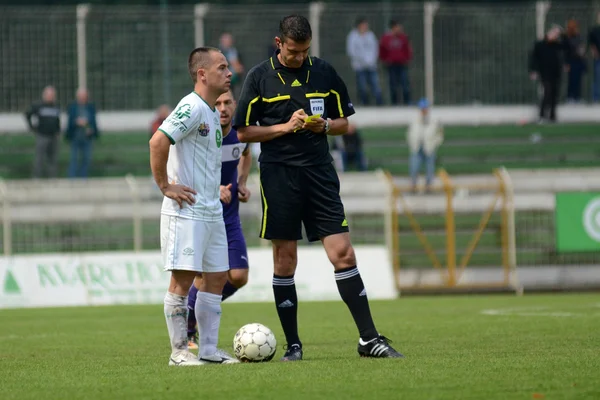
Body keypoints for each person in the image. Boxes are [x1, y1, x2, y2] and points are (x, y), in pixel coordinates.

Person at [234, 15, 403, 361]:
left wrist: (324, 125)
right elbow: (243, 132)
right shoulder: (259, 77)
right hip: (279, 176)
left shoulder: (323, 72)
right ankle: (293, 345)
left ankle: (368, 339)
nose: (300, 57)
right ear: (279, 44)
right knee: (285, 261)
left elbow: (344, 122)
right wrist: (284, 127)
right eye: (294, 51)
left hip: (320, 174)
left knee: (344, 254)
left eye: (305, 50)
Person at [149, 46, 237, 366]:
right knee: (182, 282)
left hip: (212, 210)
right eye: (222, 67)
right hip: (187, 210)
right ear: (203, 74)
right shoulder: (191, 106)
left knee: (216, 278)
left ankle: (209, 349)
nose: (229, 73)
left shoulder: (212, 111)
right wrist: (165, 186)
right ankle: (178, 352)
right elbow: (158, 141)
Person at [186, 89, 252, 350]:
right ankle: (190, 331)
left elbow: (246, 154)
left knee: (238, 275)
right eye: (217, 103)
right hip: (203, 216)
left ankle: (200, 309)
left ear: (235, 105)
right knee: (205, 278)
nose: (223, 108)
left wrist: (242, 182)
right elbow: (186, 172)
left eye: (227, 102)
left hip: (230, 218)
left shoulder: (240, 134)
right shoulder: (202, 135)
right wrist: (213, 190)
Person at [529, 25, 565, 123]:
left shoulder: (557, 45)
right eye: (554, 33)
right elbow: (533, 58)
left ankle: (552, 116)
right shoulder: (540, 44)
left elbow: (567, 47)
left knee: (555, 95)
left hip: (556, 73)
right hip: (544, 73)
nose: (555, 35)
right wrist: (533, 70)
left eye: (557, 34)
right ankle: (542, 115)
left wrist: (562, 34)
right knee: (547, 93)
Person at [407, 98, 443, 193]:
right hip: (417, 147)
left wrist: (435, 144)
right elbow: (410, 133)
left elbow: (440, 135)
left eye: (425, 108)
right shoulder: (414, 120)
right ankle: (413, 187)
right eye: (422, 108)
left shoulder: (434, 120)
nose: (423, 110)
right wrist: (412, 143)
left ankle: (428, 188)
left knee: (429, 169)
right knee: (414, 168)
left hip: (429, 148)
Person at [25, 85, 61, 179]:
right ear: (44, 95)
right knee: (39, 158)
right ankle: (36, 177)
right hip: (42, 135)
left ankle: (52, 178)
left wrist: (58, 131)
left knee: (52, 158)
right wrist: (32, 127)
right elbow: (28, 114)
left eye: (52, 95)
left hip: (53, 136)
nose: (51, 97)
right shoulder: (38, 106)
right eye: (49, 95)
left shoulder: (56, 106)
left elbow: (57, 120)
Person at [346, 17, 383, 106]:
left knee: (375, 86)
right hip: (359, 66)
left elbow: (375, 49)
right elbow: (351, 51)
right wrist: (361, 60)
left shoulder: (370, 35)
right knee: (362, 87)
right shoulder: (352, 36)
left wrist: (372, 60)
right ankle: (364, 104)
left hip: (371, 66)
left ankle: (380, 104)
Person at [66, 88, 99, 178]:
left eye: (84, 96)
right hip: (75, 137)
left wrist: (91, 128)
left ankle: (83, 179)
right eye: (81, 96)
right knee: (74, 159)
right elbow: (69, 122)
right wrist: (76, 122)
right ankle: (72, 180)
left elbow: (93, 122)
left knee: (86, 159)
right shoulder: (73, 107)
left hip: (87, 138)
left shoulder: (90, 107)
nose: (82, 98)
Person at [379, 20, 413, 105]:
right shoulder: (386, 38)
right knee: (393, 85)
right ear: (393, 27)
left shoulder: (403, 37)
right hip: (391, 65)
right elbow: (382, 50)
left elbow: (407, 49)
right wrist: (385, 60)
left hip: (402, 64)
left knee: (405, 85)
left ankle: (407, 102)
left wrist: (407, 59)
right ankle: (395, 104)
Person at [564, 19, 586, 103]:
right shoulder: (567, 38)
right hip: (571, 61)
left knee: (578, 81)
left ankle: (577, 97)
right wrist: (566, 63)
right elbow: (566, 52)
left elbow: (582, 47)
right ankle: (570, 97)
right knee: (571, 80)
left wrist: (582, 51)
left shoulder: (579, 36)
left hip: (579, 61)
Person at [588, 12, 600, 103]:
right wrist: (595, 53)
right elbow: (591, 44)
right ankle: (596, 98)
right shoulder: (594, 30)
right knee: (598, 77)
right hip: (598, 58)